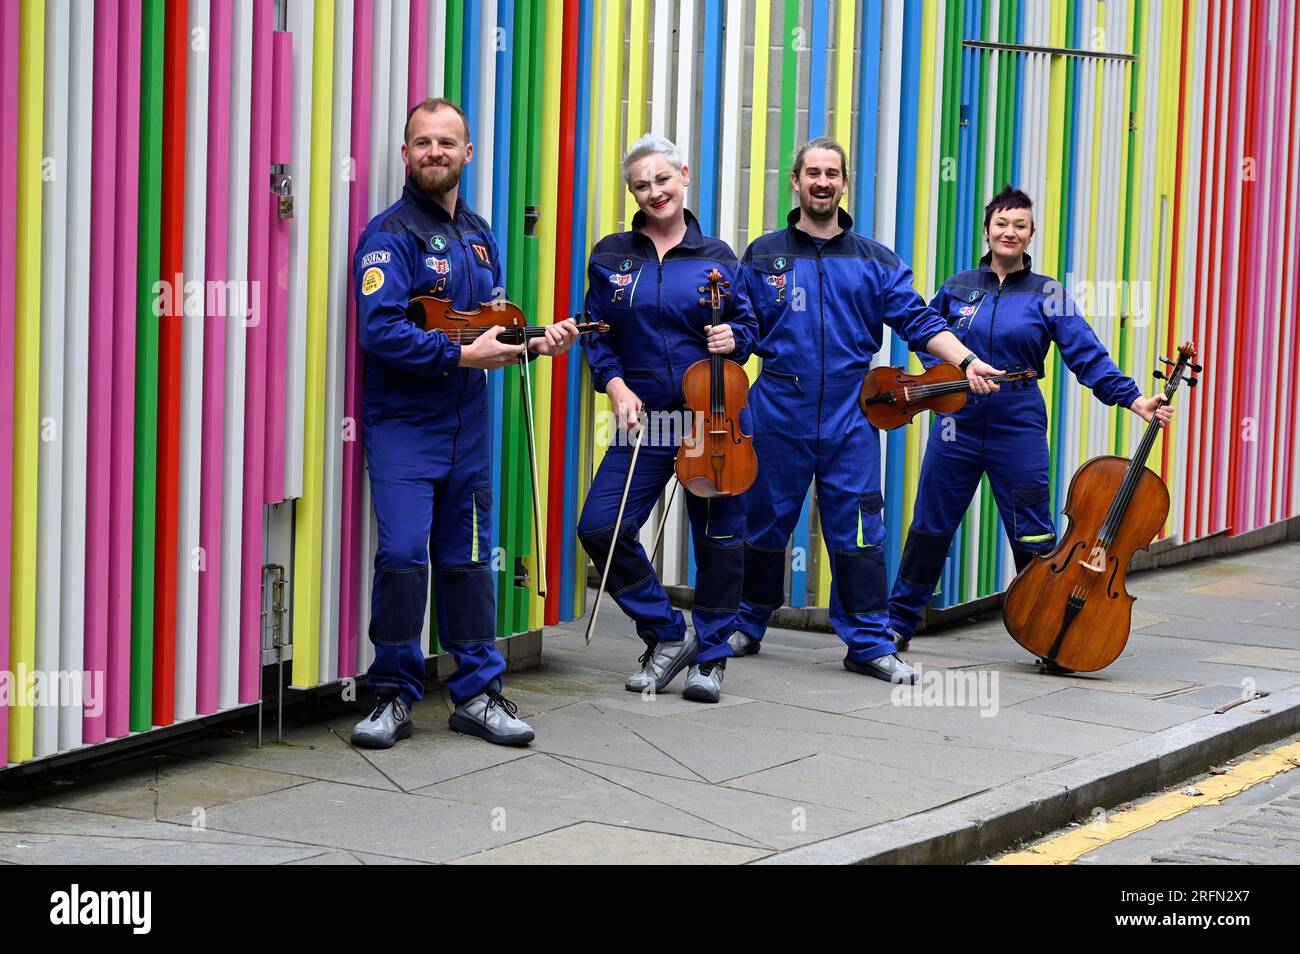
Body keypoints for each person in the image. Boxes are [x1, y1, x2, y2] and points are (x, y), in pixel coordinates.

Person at [726, 137, 1002, 684]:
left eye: (832, 173)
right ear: (796, 181)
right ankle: (746, 622)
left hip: (853, 414)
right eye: (812, 173)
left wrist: (967, 361)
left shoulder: (874, 259)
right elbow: (743, 328)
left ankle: (869, 644)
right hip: (778, 406)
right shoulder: (762, 254)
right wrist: (724, 340)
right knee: (762, 522)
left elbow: (920, 322)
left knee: (859, 530)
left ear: (844, 184)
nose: (822, 182)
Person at [349, 97, 577, 748]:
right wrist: (460, 354)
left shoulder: (480, 235)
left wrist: (533, 342)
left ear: (467, 153)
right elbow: (379, 329)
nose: (435, 152)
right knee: (400, 556)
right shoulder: (389, 235)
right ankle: (392, 694)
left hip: (468, 427)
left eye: (447, 142)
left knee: (471, 561)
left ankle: (477, 693)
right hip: (403, 426)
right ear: (405, 154)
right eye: (423, 142)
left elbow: (486, 329)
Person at [886, 185, 1173, 659]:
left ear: (1030, 233)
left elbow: (1087, 355)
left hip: (1017, 423)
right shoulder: (958, 287)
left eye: (1019, 224)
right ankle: (898, 623)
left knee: (1034, 534)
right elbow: (927, 335)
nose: (1009, 232)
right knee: (930, 527)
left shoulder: (1049, 293)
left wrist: (1133, 398)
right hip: (955, 420)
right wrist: (952, 370)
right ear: (987, 230)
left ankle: (1049, 629)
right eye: (1001, 223)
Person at [577, 134, 758, 703]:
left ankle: (711, 656)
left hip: (711, 418)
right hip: (646, 420)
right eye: (640, 184)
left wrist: (737, 336)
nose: (653, 191)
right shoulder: (611, 254)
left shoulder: (719, 257)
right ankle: (664, 632)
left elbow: (750, 327)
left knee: (719, 541)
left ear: (683, 176)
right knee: (600, 526)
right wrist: (614, 384)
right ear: (632, 191)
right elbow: (596, 334)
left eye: (661, 179)